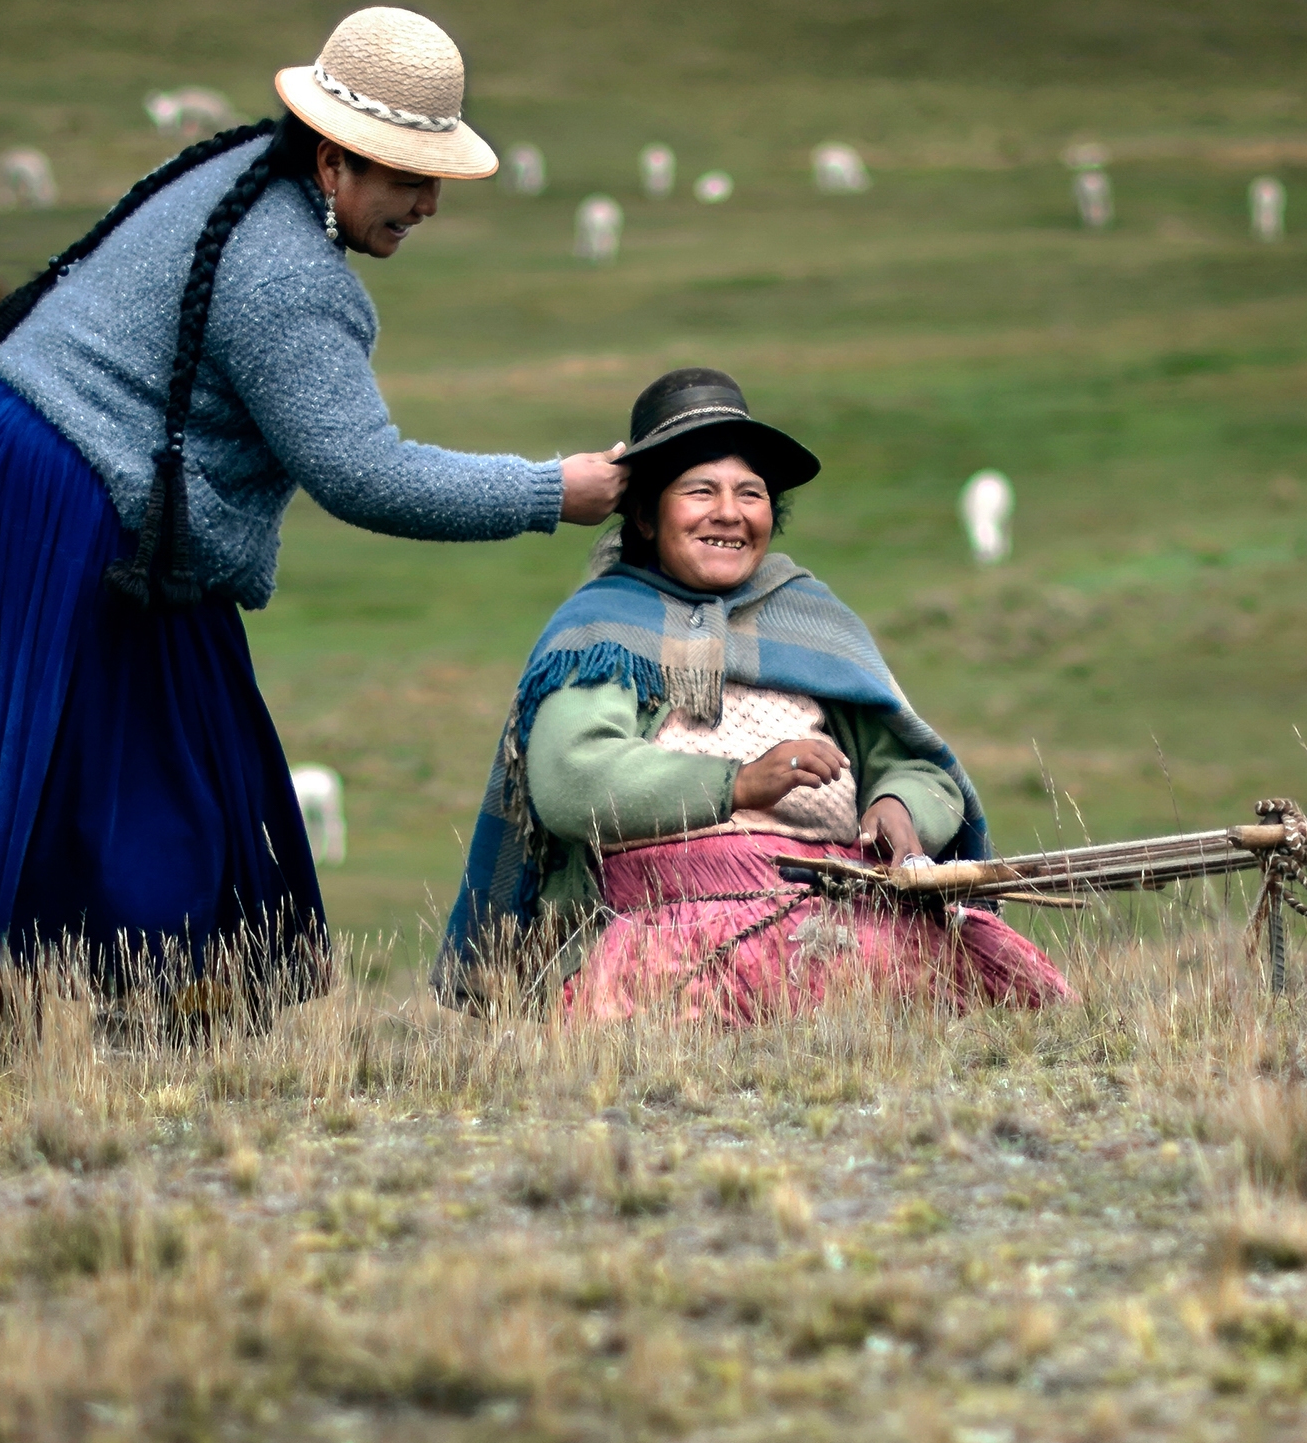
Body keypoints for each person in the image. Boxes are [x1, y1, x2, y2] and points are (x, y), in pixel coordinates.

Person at [0, 6, 626, 1042]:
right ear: (332, 160)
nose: (427, 203)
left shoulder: (245, 171)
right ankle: (138, 1047)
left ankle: (40, 1039)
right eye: (405, 175)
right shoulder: (288, 275)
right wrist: (559, 488)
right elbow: (364, 475)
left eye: (435, 178)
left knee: (121, 771)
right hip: (58, 502)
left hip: (10, 470)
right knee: (158, 796)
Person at [437, 367, 1070, 1021]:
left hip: (841, 906)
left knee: (996, 1004)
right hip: (663, 922)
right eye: (700, 491)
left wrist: (897, 805)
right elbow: (572, 780)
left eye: (751, 493)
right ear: (646, 517)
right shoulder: (599, 627)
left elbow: (913, 763)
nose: (730, 513)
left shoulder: (813, 620)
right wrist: (739, 784)